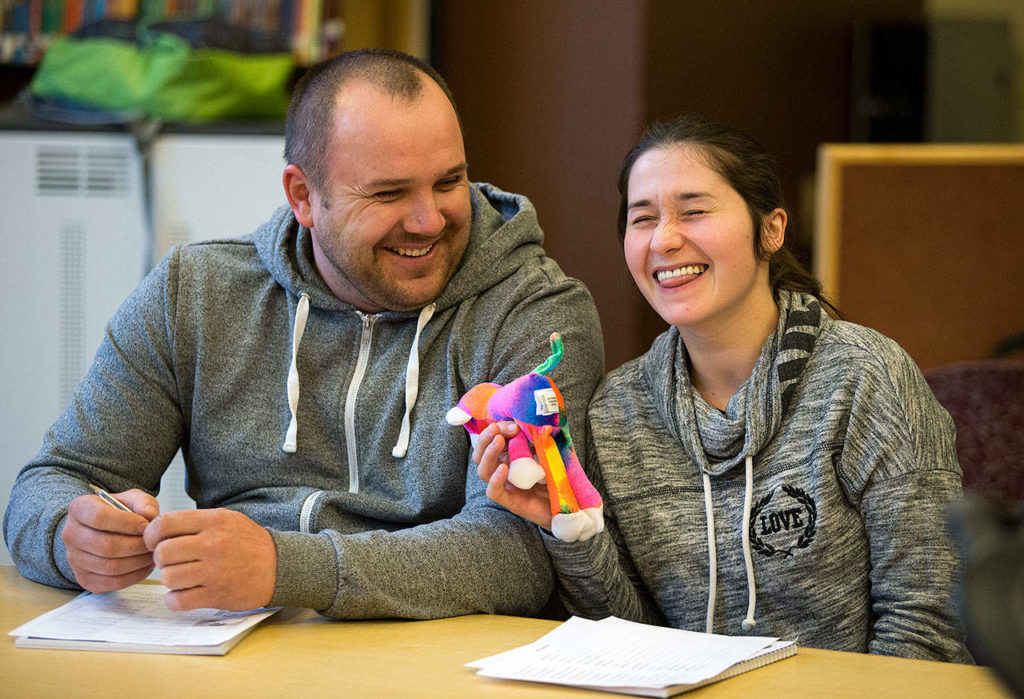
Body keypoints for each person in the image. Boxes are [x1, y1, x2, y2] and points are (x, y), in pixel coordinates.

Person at [3, 48, 604, 619]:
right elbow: (53, 480)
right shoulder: (194, 292)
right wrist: (70, 536)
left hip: (434, 654)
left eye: (449, 182)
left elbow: (522, 552)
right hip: (230, 648)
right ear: (303, 196)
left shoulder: (534, 312)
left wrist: (285, 568)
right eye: (389, 192)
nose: (428, 220)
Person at [475, 114, 971, 661]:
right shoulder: (617, 412)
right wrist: (571, 528)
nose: (664, 239)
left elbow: (927, 625)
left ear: (772, 230)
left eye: (694, 211)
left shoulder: (865, 378)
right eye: (643, 219)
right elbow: (629, 641)